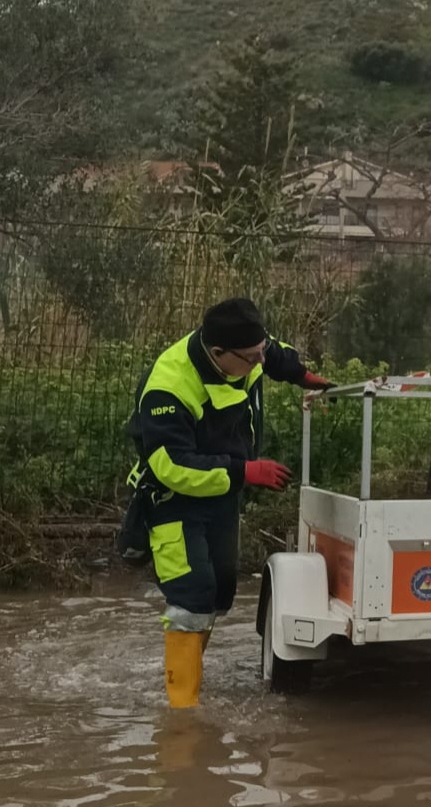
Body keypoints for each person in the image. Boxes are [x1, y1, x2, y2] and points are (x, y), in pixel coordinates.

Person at [123, 297, 332, 709]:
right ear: (218, 354)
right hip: (173, 499)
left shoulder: (242, 348)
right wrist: (245, 472)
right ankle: (182, 716)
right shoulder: (169, 385)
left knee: (220, 588)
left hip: (220, 493)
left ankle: (187, 674)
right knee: (192, 595)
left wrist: (303, 376)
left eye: (260, 354)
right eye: (251, 358)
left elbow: (272, 353)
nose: (259, 363)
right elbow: (171, 465)